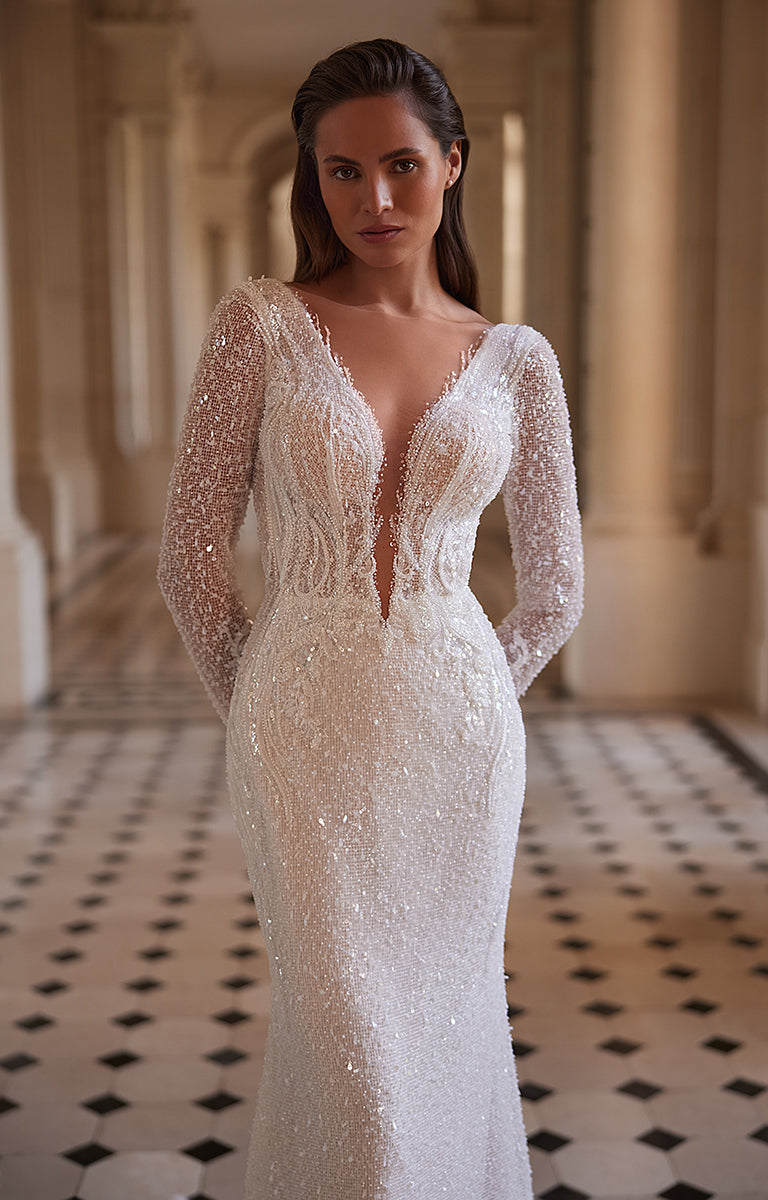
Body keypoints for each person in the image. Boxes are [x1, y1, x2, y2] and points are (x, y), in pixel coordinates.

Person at [158, 37, 583, 1200]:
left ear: (451, 165)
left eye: (399, 165)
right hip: (299, 735)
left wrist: (472, 686)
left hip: (458, 744)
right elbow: (190, 559)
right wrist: (260, 703)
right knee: (348, 1043)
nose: (374, 198)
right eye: (342, 172)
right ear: (313, 178)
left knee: (446, 1030)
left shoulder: (517, 362)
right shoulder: (261, 326)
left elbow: (555, 590)